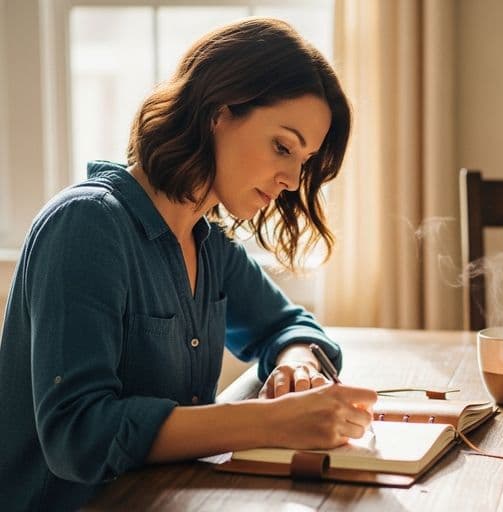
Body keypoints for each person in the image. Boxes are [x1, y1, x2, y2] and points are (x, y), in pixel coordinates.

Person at [0, 18, 377, 511]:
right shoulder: (86, 225)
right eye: (282, 146)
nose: (290, 178)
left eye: (302, 161)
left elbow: (288, 326)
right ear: (218, 112)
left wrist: (297, 365)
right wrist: (273, 420)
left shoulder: (209, 242)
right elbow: (78, 436)